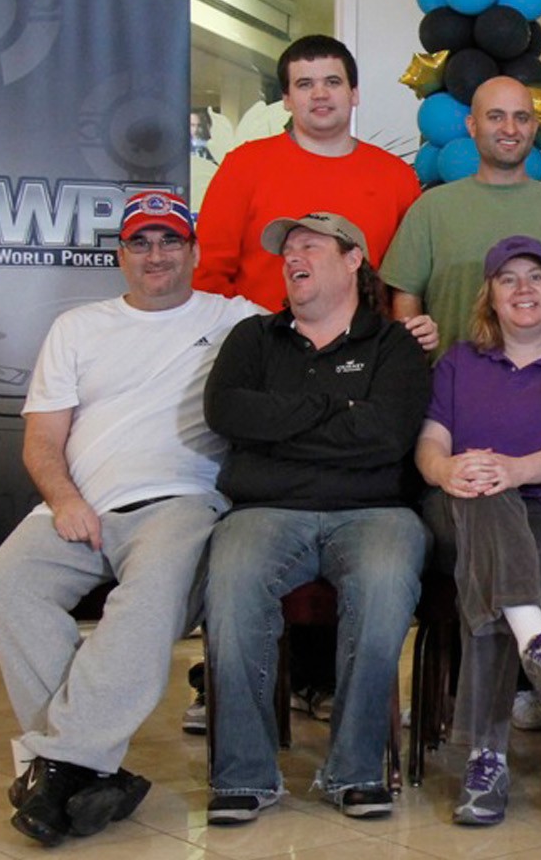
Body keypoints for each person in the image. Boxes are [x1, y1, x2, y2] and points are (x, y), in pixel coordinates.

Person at [0, 191, 258, 845]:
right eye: (141, 242)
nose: (155, 254)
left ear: (194, 251)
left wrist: (407, 331)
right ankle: (86, 772)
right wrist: (65, 500)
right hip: (81, 504)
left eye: (170, 241)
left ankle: (58, 768)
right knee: (7, 581)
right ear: (120, 254)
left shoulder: (237, 319)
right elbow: (41, 440)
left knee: (152, 594)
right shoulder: (77, 327)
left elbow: (323, 332)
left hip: (182, 500)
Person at [201, 212, 431, 824]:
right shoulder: (253, 338)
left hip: (376, 513)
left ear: (354, 259)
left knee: (384, 584)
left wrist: (280, 425)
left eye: (309, 245)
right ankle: (244, 776)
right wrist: (338, 410)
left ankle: (355, 771)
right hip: (266, 510)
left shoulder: (395, 345)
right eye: (287, 251)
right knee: (231, 583)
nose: (293, 258)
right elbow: (227, 413)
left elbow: (386, 435)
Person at [414, 236, 541, 826]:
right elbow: (432, 441)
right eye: (507, 278)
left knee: (487, 572)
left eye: (535, 277)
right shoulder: (460, 362)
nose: (523, 289)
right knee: (483, 498)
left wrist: (513, 470)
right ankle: (536, 641)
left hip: (540, 514)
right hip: (453, 507)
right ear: (489, 296)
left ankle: (484, 758)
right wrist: (447, 470)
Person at [384, 76, 541, 354]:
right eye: (495, 117)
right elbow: (406, 296)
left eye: (521, 118)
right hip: (448, 378)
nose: (510, 128)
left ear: (534, 127)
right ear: (472, 126)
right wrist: (415, 362)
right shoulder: (430, 209)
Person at [194, 35, 421, 311]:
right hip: (262, 334)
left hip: (369, 337)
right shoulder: (244, 166)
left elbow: (408, 284)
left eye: (332, 82)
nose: (320, 94)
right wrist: (244, 333)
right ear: (286, 99)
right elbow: (207, 273)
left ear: (354, 93)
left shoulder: (397, 177)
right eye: (305, 84)